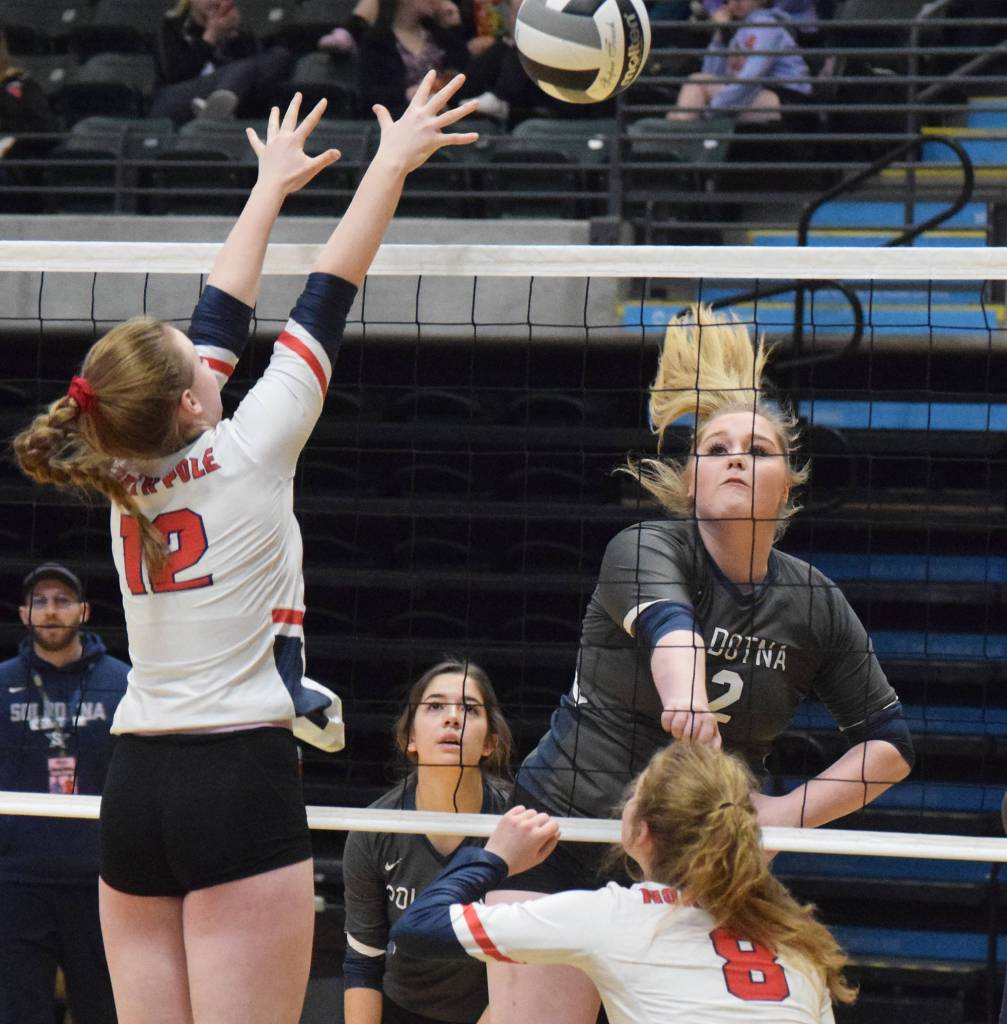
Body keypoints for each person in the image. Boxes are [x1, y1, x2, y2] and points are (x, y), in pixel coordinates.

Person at [13, 77, 479, 1024]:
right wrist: (390, 162)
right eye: (192, 361)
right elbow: (328, 292)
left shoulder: (117, 463)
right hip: (236, 778)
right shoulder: (252, 443)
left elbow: (217, 318)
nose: (204, 348)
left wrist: (267, 186)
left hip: (133, 785)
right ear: (191, 400)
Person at [484, 304, 914, 1024]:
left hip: (700, 864)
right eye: (715, 449)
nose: (736, 458)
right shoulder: (646, 546)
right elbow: (671, 628)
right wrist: (685, 699)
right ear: (688, 483)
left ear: (787, 485)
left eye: (758, 449)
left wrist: (780, 814)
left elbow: (890, 746)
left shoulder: (813, 600)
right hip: (569, 834)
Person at [391, 742, 856, 1023]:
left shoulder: (614, 916)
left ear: (641, 833)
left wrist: (494, 857)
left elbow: (419, 927)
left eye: (635, 792)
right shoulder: (797, 938)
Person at [342, 658, 513, 1024]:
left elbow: (524, 970)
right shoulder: (374, 830)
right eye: (435, 706)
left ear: (489, 744)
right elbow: (363, 962)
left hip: (500, 1007)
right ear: (410, 739)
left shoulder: (515, 826)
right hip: (402, 1008)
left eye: (469, 708)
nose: (452, 717)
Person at [0, 563, 129, 1024]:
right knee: (19, 1012)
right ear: (23, 613)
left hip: (99, 880)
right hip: (16, 881)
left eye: (62, 600)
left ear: (85, 611)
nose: (51, 611)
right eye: (40, 601)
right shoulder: (2, 684)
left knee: (102, 1010)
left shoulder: (122, 682)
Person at [667, 0, 812, 123]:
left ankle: (678, 145)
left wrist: (712, 110)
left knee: (696, 86)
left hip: (790, 102)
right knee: (681, 109)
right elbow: (712, 76)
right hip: (754, 95)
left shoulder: (767, 25)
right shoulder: (738, 29)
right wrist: (720, 35)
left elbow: (751, 77)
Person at [151, 0, 293, 125]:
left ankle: (216, 110)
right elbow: (175, 75)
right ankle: (215, 112)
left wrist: (234, 35)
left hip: (235, 100)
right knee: (243, 68)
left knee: (279, 55)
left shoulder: (239, 32)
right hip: (175, 98)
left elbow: (257, 76)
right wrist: (211, 35)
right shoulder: (172, 26)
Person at [357, 0, 470, 119]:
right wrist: (407, 94)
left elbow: (465, 71)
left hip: (445, 116)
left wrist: (455, 25)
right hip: (401, 119)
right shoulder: (377, 41)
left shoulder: (439, 35)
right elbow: (369, 95)